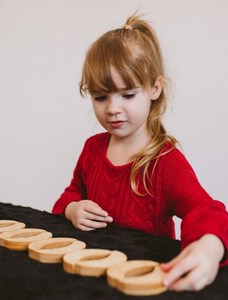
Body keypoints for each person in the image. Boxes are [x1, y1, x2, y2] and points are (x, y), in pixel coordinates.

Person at [52, 14, 228, 292]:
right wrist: (73, 209)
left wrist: (210, 247)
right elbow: (72, 193)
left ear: (154, 88)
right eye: (100, 97)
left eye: (128, 95)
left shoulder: (165, 161)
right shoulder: (92, 149)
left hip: (144, 284)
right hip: (92, 281)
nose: (112, 108)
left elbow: (206, 211)